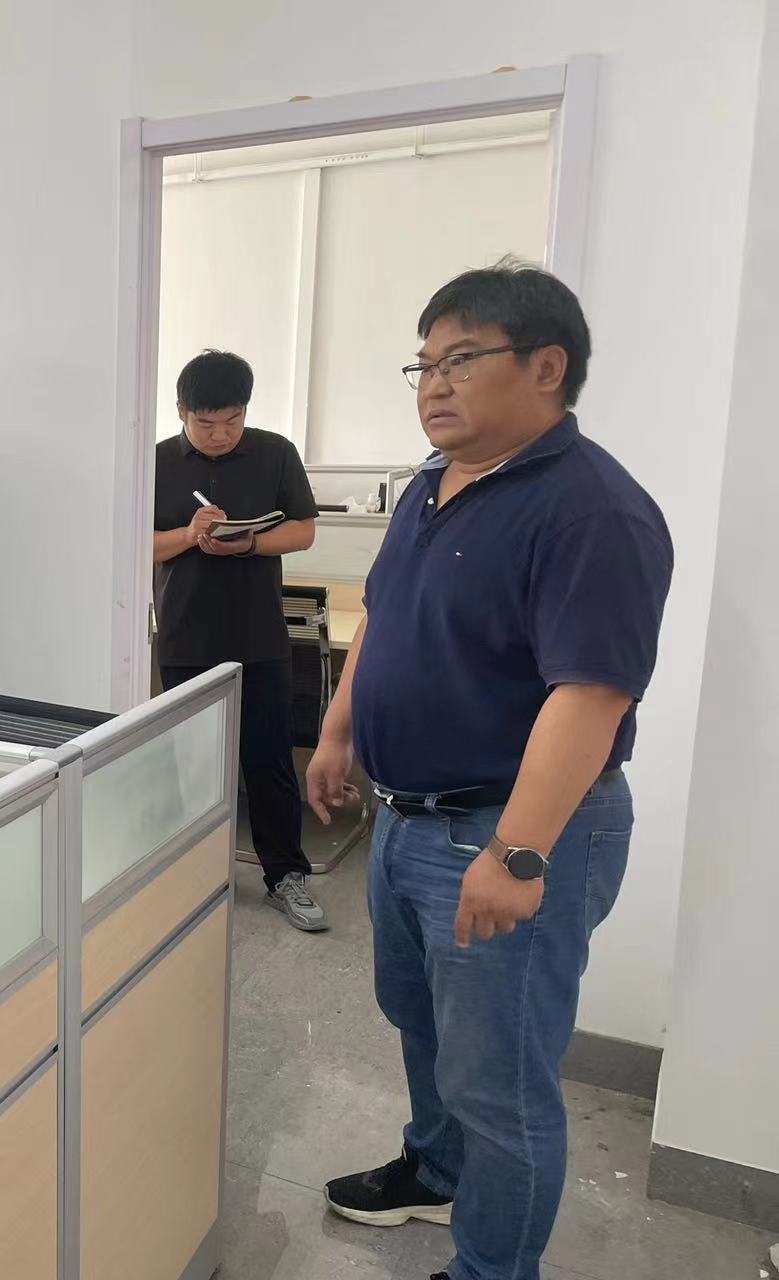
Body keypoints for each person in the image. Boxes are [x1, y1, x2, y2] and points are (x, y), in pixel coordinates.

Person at [309, 262, 671, 1280]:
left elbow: (590, 696)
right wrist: (338, 730)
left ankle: (492, 1269)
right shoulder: (434, 484)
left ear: (547, 367)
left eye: (460, 359)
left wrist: (517, 851)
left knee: (501, 1083)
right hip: (406, 819)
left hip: (504, 829)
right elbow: (383, 616)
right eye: (423, 363)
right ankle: (436, 1172)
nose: (432, 384)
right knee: (423, 1024)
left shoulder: (592, 511)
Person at [153, 351, 324, 931]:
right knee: (192, 764)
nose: (221, 434)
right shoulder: (154, 462)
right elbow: (132, 543)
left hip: (260, 635)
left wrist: (249, 544)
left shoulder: (275, 453)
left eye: (233, 420)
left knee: (268, 758)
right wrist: (189, 535)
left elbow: (303, 531)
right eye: (207, 423)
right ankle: (199, 875)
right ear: (181, 410)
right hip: (184, 635)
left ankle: (286, 876)